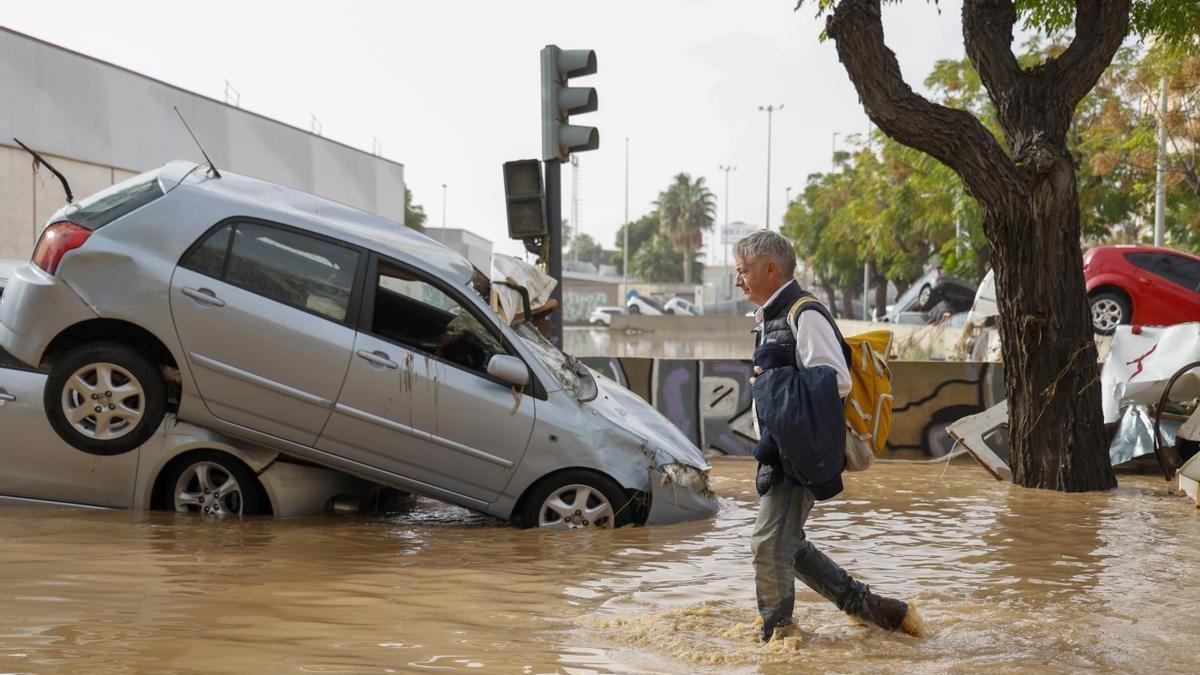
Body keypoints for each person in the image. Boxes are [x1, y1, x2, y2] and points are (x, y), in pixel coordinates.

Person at [733, 230, 922, 642]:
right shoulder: (772, 317)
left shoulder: (805, 313)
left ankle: (778, 637)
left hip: (797, 452)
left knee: (767, 544)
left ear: (770, 268)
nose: (738, 280)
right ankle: (874, 610)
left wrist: (772, 381)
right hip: (780, 450)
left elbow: (834, 380)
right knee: (787, 543)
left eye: (743, 271)